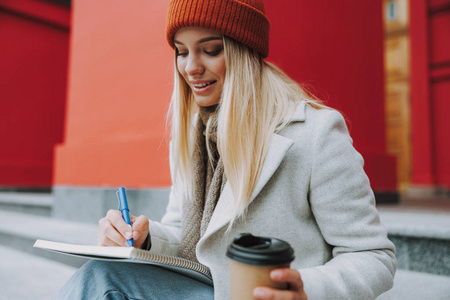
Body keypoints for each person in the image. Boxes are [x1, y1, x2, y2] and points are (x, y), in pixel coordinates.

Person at [57, 0, 396, 299]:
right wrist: (143, 237)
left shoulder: (316, 134)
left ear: (243, 48)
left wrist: (304, 289)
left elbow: (373, 257)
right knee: (100, 277)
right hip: (208, 289)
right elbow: (190, 238)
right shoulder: (193, 134)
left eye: (211, 49)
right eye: (181, 50)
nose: (191, 67)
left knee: (102, 282)